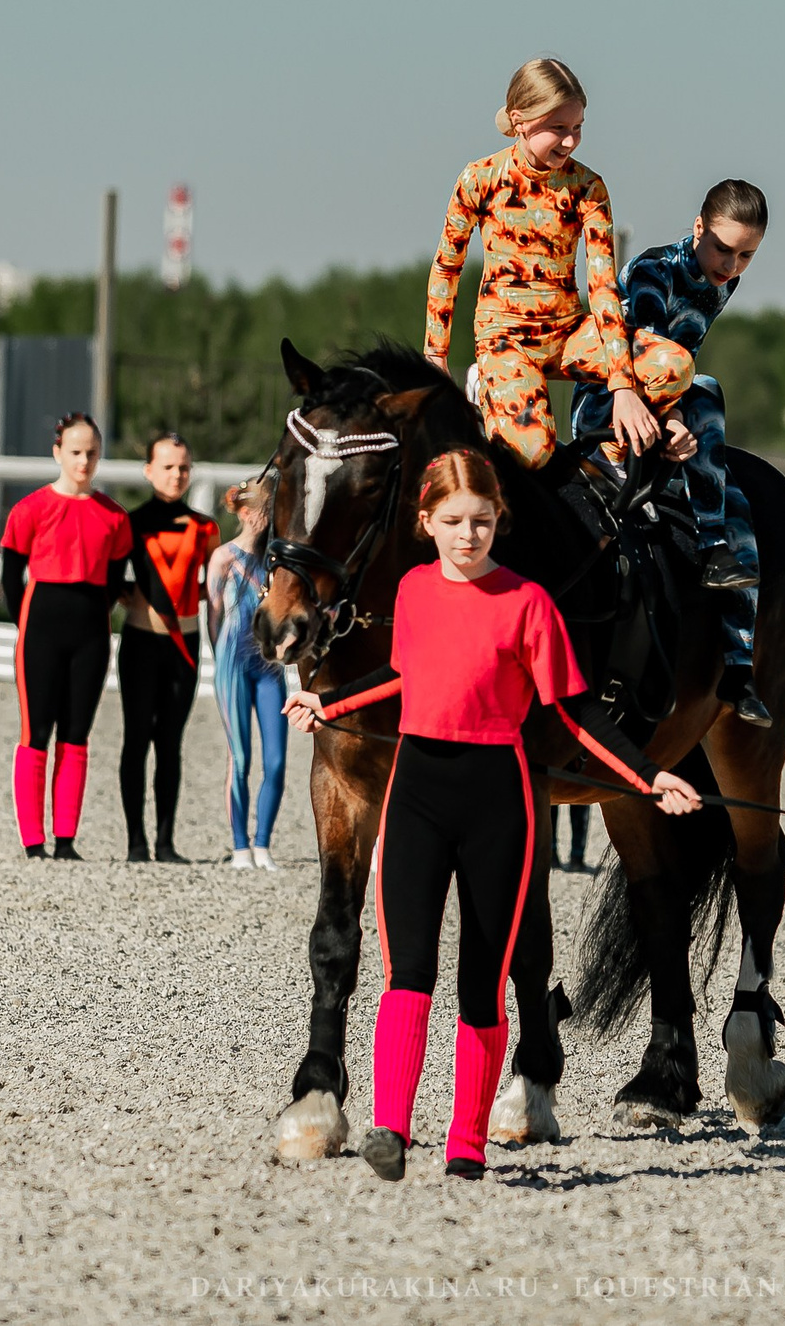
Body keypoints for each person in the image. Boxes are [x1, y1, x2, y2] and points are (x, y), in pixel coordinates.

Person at [285, 448, 700, 1183]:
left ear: (499, 520)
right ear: (426, 522)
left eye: (480, 521)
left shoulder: (528, 604)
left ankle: (467, 1141)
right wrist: (329, 703)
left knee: (482, 981)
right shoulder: (412, 590)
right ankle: (390, 1126)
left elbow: (573, 717)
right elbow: (404, 674)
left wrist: (648, 776)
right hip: (417, 795)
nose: (467, 535)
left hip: (496, 803)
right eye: (451, 521)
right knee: (406, 971)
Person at [570, 179, 773, 726]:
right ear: (698, 228)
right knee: (705, 388)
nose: (731, 265)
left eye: (747, 255)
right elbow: (645, 359)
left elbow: (676, 368)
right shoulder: (653, 272)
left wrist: (677, 421)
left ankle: (737, 670)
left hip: (665, 407)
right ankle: (707, 546)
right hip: (609, 404)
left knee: (741, 514)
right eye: (723, 249)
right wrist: (676, 418)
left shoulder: (721, 284)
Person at [423, 58, 663, 473]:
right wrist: (435, 355)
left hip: (568, 333)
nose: (571, 141)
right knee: (534, 454)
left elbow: (603, 287)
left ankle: (608, 466)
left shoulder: (588, 187)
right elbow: (447, 266)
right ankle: (488, 388)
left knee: (673, 368)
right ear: (520, 121)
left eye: (578, 127)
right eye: (559, 128)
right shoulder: (479, 179)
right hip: (505, 338)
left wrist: (623, 385)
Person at [0, 413, 132, 859]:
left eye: (92, 452)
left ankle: (66, 839)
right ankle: (33, 841)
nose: (84, 460)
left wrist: (94, 617)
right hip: (40, 630)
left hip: (91, 632)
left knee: (76, 734)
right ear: (57, 452)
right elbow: (10, 575)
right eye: (75, 451)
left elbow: (115, 581)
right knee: (36, 732)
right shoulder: (30, 509)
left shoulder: (114, 517)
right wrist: (27, 623)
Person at [117, 431, 218, 865]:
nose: (177, 475)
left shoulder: (205, 527)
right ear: (148, 471)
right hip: (140, 643)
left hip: (184, 647)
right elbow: (110, 575)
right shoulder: (130, 523)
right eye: (168, 467)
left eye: (183, 467)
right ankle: (136, 843)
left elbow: (213, 585)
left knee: (170, 743)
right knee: (137, 739)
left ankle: (165, 842)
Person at [205, 479, 287, 870]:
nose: (261, 516)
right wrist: (220, 662)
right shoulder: (223, 557)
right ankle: (240, 846)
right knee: (239, 757)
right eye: (254, 508)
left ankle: (263, 843)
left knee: (275, 760)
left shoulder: (277, 560)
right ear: (239, 510)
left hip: (268, 667)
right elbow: (214, 616)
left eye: (267, 508)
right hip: (233, 663)